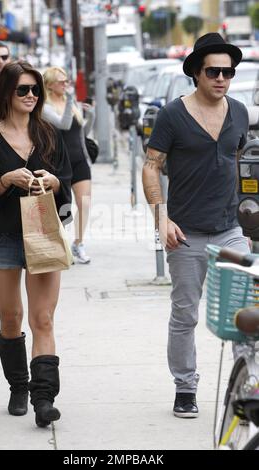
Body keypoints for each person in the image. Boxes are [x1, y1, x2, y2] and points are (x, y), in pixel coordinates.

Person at [142, 33, 250, 419]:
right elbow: (152, 166)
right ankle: (185, 388)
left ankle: (245, 385)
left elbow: (237, 161)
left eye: (229, 72)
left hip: (229, 228)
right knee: (185, 313)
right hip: (185, 231)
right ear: (196, 73)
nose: (222, 78)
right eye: (214, 71)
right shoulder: (173, 115)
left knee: (244, 312)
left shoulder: (239, 111)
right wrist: (161, 217)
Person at [0, 61, 72, 428]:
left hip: (43, 233)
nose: (31, 96)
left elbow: (68, 182)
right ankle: (18, 386)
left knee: (43, 318)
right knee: (11, 318)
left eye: (35, 90)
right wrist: (5, 180)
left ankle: (44, 400)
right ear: (6, 94)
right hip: (2, 238)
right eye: (22, 90)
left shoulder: (48, 134)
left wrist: (55, 182)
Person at [42, 66, 95, 264]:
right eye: (61, 81)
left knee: (84, 203)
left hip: (80, 159)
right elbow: (63, 125)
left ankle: (78, 243)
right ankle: (61, 243)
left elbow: (82, 131)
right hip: (58, 163)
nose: (66, 84)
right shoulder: (45, 107)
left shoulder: (71, 104)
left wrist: (91, 115)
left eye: (66, 81)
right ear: (49, 85)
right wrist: (71, 101)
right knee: (63, 207)